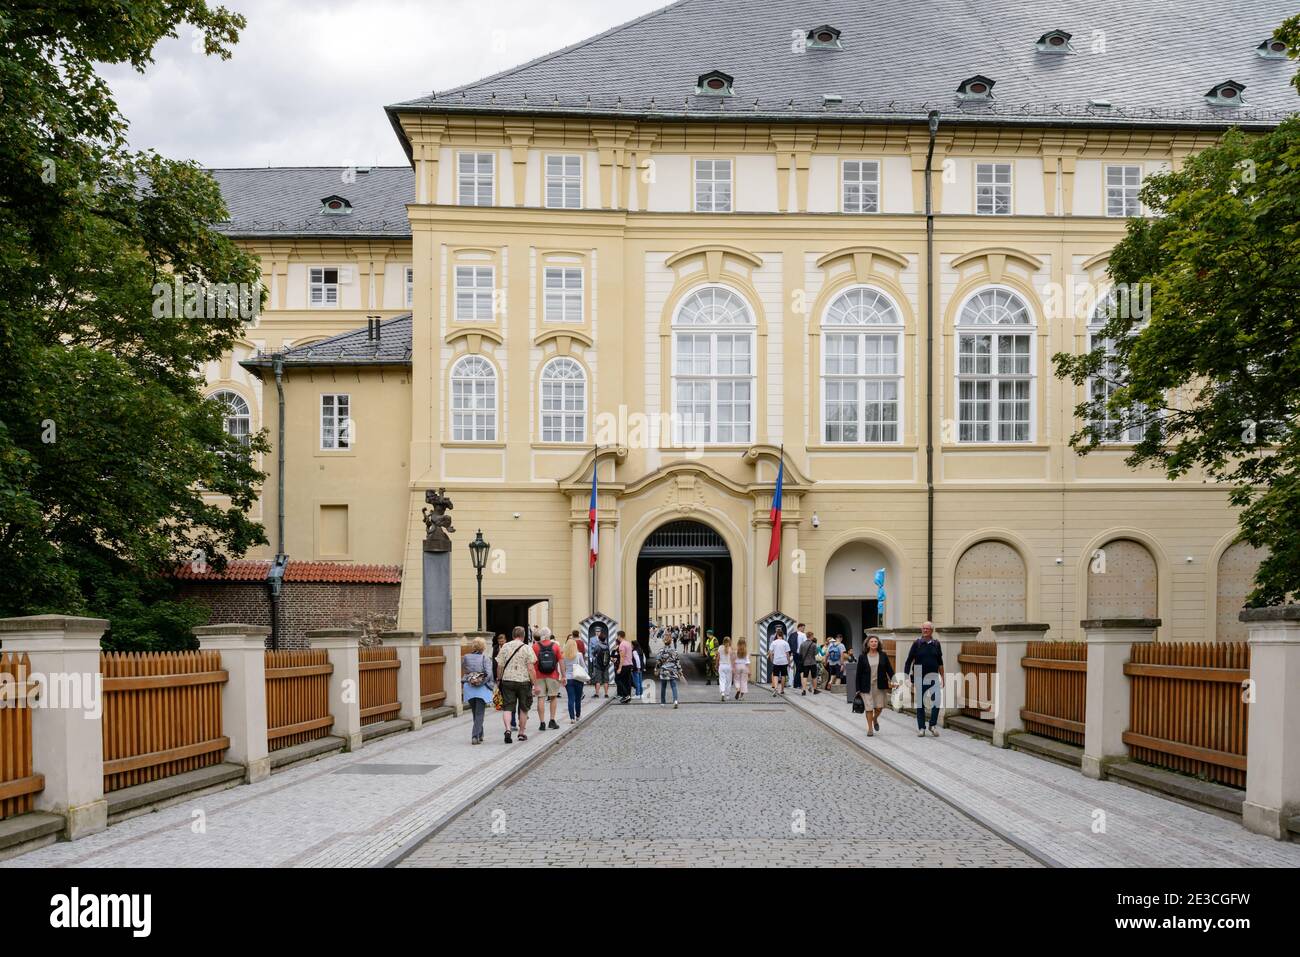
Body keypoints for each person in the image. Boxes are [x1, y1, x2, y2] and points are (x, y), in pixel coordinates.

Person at [903, 621, 945, 738]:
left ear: (932, 630)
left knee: (937, 701)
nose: (925, 630)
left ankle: (932, 725)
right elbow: (908, 661)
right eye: (923, 628)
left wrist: (943, 676)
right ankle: (921, 728)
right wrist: (906, 677)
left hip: (933, 677)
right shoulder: (917, 644)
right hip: (919, 676)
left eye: (927, 628)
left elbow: (940, 662)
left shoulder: (936, 644)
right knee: (920, 703)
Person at [496, 626, 537, 743]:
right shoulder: (527, 648)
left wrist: (499, 679)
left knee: (508, 707)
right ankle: (521, 733)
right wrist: (535, 684)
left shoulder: (505, 646)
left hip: (507, 681)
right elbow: (531, 668)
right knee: (524, 708)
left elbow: (500, 665)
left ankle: (508, 730)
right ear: (523, 635)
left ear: (513, 635)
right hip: (523, 682)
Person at [855, 634, 895, 736]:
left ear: (878, 644)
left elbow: (889, 669)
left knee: (879, 707)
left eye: (875, 642)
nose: (874, 643)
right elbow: (858, 674)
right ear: (868, 644)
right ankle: (870, 729)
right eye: (871, 642)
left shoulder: (883, 655)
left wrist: (894, 680)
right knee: (869, 708)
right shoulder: (862, 657)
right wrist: (857, 688)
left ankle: (875, 719)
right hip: (866, 686)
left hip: (880, 686)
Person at [461, 636, 495, 745]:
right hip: (481, 689)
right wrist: (481, 682)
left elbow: (464, 669)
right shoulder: (485, 658)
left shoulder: (466, 657)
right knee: (480, 713)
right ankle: (474, 736)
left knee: (475, 713)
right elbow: (489, 674)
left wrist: (472, 679)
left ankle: (480, 734)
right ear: (483, 647)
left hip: (469, 687)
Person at [532, 627, 564, 731]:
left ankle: (542, 723)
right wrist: (563, 675)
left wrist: (532, 679)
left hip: (538, 676)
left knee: (540, 698)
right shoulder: (555, 646)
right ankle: (552, 720)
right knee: (553, 697)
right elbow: (561, 661)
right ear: (549, 635)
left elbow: (532, 663)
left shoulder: (535, 646)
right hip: (553, 675)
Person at [492, 633, 517, 731]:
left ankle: (512, 718)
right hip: (499, 674)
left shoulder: (508, 648)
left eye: (502, 641)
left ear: (505, 640)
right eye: (499, 641)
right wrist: (496, 676)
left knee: (510, 698)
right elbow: (494, 662)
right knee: (501, 691)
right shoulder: (495, 648)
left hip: (507, 675)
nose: (501, 643)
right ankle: (502, 704)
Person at [563, 632, 587, 724]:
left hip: (568, 679)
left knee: (570, 698)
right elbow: (583, 666)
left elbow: (562, 667)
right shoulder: (579, 655)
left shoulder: (564, 656)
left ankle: (572, 718)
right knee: (578, 698)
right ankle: (578, 715)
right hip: (578, 678)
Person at [656, 633, 683, 708]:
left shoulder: (661, 650)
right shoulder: (674, 650)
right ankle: (675, 700)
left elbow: (658, 661)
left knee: (663, 686)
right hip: (672, 669)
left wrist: (656, 669)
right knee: (673, 686)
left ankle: (662, 702)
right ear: (671, 642)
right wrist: (680, 670)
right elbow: (677, 661)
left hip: (664, 670)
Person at [588, 626, 610, 700]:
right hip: (605, 664)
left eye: (598, 632)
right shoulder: (605, 644)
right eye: (596, 631)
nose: (597, 633)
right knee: (606, 679)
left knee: (598, 679)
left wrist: (594, 656)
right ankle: (606, 694)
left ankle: (597, 694)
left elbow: (593, 652)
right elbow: (590, 649)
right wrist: (591, 657)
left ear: (600, 632)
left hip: (598, 664)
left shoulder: (598, 646)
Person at [768, 626, 791, 696]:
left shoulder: (774, 643)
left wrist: (772, 659)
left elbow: (770, 652)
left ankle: (775, 688)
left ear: (777, 635)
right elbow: (787, 654)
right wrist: (789, 661)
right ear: (783, 635)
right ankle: (782, 690)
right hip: (784, 661)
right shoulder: (785, 643)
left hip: (776, 661)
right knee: (783, 675)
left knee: (775, 675)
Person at [614, 630, 635, 703]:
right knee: (627, 681)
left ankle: (626, 695)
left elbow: (622, 657)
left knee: (618, 679)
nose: (617, 637)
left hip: (624, 665)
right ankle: (628, 696)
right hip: (629, 664)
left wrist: (619, 668)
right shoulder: (628, 643)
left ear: (619, 636)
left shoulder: (622, 645)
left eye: (617, 636)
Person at [799, 628, 821, 695]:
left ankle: (804, 690)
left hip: (805, 663)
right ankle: (815, 690)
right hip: (812, 662)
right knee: (814, 676)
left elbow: (800, 653)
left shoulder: (802, 644)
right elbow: (816, 653)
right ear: (811, 636)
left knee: (805, 676)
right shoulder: (814, 644)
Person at [716, 636, 734, 701]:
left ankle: (722, 692)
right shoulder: (731, 648)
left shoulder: (720, 647)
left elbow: (718, 658)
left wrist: (716, 665)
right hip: (729, 666)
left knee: (722, 680)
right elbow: (732, 659)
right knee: (728, 681)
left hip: (722, 666)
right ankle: (727, 695)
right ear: (730, 642)